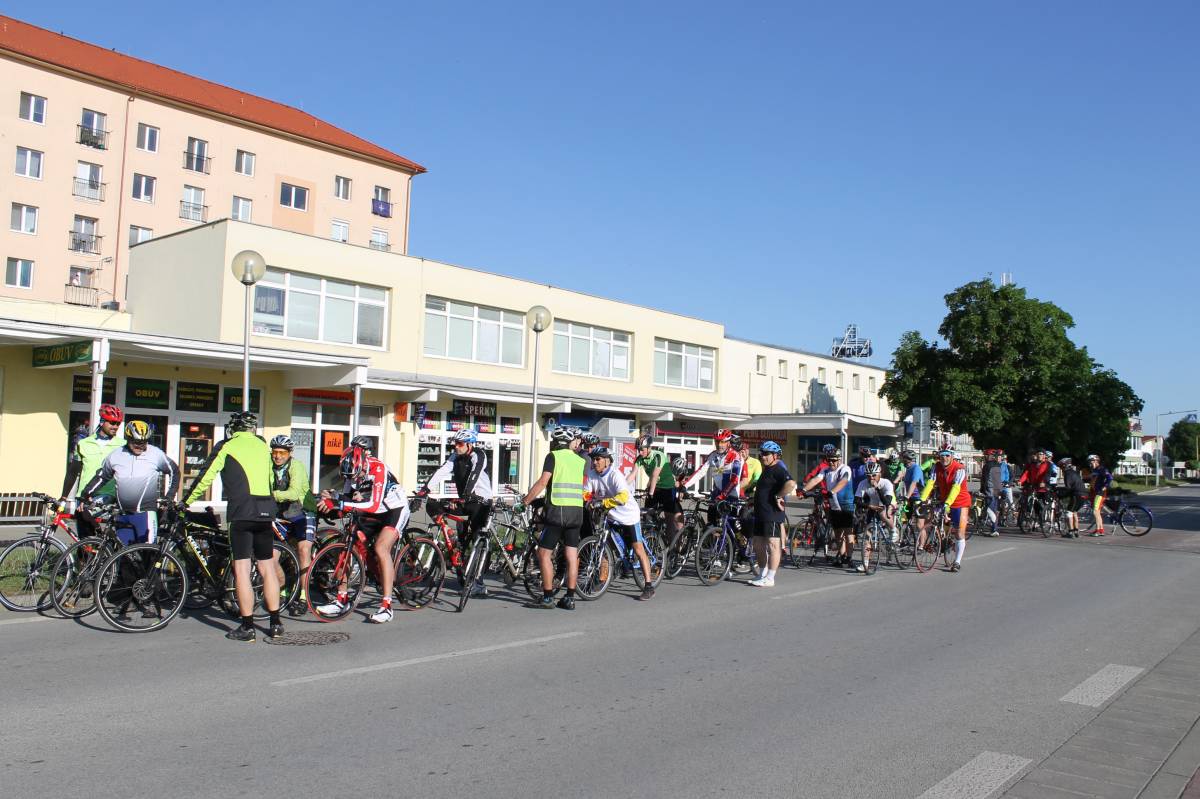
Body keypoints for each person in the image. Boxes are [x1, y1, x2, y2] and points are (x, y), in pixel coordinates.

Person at [184, 411, 281, 642]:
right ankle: (276, 623)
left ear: (233, 428)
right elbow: (271, 480)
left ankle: (247, 627)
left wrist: (185, 501)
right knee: (267, 568)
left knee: (242, 569)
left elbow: (205, 477)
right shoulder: (263, 447)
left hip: (241, 512)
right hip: (265, 511)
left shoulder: (226, 446)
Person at [316, 436, 409, 623]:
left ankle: (387, 607)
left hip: (394, 509)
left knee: (381, 548)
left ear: (363, 464)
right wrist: (333, 497)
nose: (354, 480)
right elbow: (347, 498)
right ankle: (341, 599)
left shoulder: (378, 468)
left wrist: (339, 503)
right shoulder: (351, 470)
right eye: (349, 478)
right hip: (373, 510)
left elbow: (374, 505)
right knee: (348, 546)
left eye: (356, 476)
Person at [417, 429, 493, 598]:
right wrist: (424, 490)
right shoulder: (455, 457)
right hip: (464, 500)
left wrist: (465, 495)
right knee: (433, 505)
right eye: (455, 444)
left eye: (459, 444)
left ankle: (478, 583)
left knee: (477, 540)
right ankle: (450, 535)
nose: (456, 447)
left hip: (481, 502)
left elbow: (474, 474)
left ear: (469, 445)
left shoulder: (478, 455)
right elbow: (442, 471)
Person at [80, 419, 180, 546]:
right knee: (123, 554)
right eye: (136, 442)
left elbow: (175, 472)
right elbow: (101, 477)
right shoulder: (116, 455)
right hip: (122, 514)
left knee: (147, 552)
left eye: (144, 442)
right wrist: (85, 494)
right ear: (128, 438)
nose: (140, 446)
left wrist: (169, 496)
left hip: (145, 514)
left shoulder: (156, 454)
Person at [521, 426, 587, 610]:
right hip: (577, 512)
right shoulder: (580, 460)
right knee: (571, 555)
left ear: (556, 442)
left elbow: (543, 482)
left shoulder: (553, 456)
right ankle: (570, 598)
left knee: (543, 553)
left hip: (558, 511)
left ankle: (548, 597)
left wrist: (525, 501)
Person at [587, 446, 655, 600]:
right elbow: (586, 493)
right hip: (611, 515)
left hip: (628, 515)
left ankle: (649, 586)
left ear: (607, 461)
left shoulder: (614, 474)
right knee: (604, 545)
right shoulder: (592, 474)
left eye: (598, 459)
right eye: (593, 459)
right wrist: (588, 501)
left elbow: (623, 497)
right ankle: (602, 579)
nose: (595, 462)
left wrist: (603, 502)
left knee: (638, 548)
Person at [60, 403, 126, 537]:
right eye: (112, 423)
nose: (115, 426)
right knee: (85, 541)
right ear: (102, 421)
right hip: (83, 496)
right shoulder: (84, 444)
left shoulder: (122, 445)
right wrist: (63, 497)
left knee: (103, 537)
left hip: (109, 495)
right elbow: (73, 472)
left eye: (118, 424)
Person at [269, 435, 318, 614]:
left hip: (303, 513)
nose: (278, 456)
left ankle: (304, 596)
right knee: (270, 557)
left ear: (289, 453)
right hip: (282, 514)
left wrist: (270, 495)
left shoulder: (296, 466)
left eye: (282, 453)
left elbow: (293, 493)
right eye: (275, 452)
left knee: (303, 551)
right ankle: (283, 590)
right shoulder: (269, 465)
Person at [747, 441, 794, 587]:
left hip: (772, 513)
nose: (763, 457)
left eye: (766, 454)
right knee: (758, 544)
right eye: (762, 454)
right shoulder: (767, 469)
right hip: (760, 512)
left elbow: (791, 484)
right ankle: (762, 573)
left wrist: (779, 496)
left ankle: (770, 577)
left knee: (773, 544)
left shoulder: (779, 469)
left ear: (775, 455)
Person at [800, 448, 855, 568]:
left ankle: (849, 558)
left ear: (839, 459)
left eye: (833, 460)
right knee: (837, 532)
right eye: (829, 460)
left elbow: (844, 481)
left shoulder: (845, 469)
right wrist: (804, 490)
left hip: (846, 503)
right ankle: (842, 556)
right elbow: (816, 479)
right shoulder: (826, 470)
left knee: (848, 531)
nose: (831, 462)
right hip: (834, 503)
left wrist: (832, 491)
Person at [920, 449, 971, 572]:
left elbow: (956, 487)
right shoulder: (936, 466)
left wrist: (948, 503)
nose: (944, 458)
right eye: (942, 455)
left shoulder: (959, 469)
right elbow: (930, 483)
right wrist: (922, 499)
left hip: (960, 502)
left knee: (959, 533)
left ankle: (957, 562)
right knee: (934, 520)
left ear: (952, 456)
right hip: (944, 499)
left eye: (947, 455)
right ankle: (941, 540)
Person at [634, 435, 681, 540]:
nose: (640, 452)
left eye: (642, 449)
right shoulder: (640, 458)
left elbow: (655, 475)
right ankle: (651, 539)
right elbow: (632, 474)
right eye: (638, 450)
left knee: (669, 519)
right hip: (656, 488)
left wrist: (650, 493)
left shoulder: (658, 456)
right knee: (647, 515)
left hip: (668, 488)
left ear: (649, 447)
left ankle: (672, 546)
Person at [853, 461, 895, 574]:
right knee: (867, 535)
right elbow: (856, 501)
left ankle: (893, 529)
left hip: (888, 502)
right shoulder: (863, 483)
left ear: (879, 474)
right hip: (873, 505)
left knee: (883, 513)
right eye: (868, 475)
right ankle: (865, 563)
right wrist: (869, 506)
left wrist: (877, 488)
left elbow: (887, 502)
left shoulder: (886, 483)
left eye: (874, 475)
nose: (871, 478)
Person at [1057, 458, 1088, 538]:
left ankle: (1070, 532)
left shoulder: (1067, 474)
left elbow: (1068, 488)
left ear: (1064, 466)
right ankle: (1076, 531)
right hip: (1084, 494)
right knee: (1074, 512)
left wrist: (1061, 495)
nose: (1061, 469)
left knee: (1069, 513)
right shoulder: (1074, 472)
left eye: (1061, 467)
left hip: (1076, 495)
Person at [978, 449, 1003, 536]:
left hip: (990, 490)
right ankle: (993, 529)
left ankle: (994, 529)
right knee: (994, 509)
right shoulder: (998, 465)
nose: (984, 457)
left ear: (989, 456)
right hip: (997, 490)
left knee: (990, 509)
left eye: (985, 455)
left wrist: (982, 490)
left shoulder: (987, 466)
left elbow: (984, 479)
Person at [1087, 454, 1113, 536]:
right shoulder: (1095, 470)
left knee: (1095, 511)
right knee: (1097, 511)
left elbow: (1110, 478)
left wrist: (1105, 487)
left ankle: (1098, 530)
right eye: (1089, 462)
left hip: (1100, 493)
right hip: (1095, 492)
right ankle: (1100, 530)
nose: (1090, 463)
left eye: (1091, 461)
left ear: (1096, 461)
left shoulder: (1102, 469)